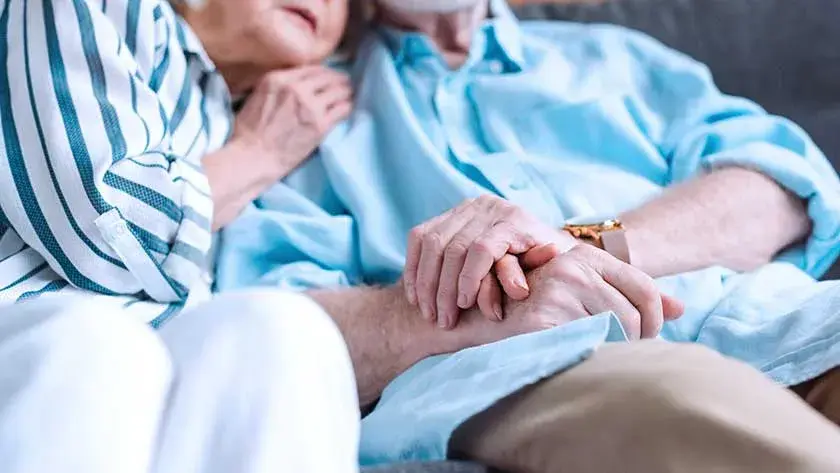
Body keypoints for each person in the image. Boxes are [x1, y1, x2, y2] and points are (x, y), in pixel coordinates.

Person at [216, 0, 840, 471]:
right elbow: (272, 329)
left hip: (782, 320)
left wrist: (578, 249)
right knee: (692, 405)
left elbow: (782, 186)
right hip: (533, 371)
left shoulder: (612, 56)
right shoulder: (302, 117)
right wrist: (485, 300)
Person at [0, 0, 360, 471]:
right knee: (101, 347)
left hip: (159, 382)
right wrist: (258, 153)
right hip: (47, 341)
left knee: (288, 333)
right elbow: (109, 234)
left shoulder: (271, 124)